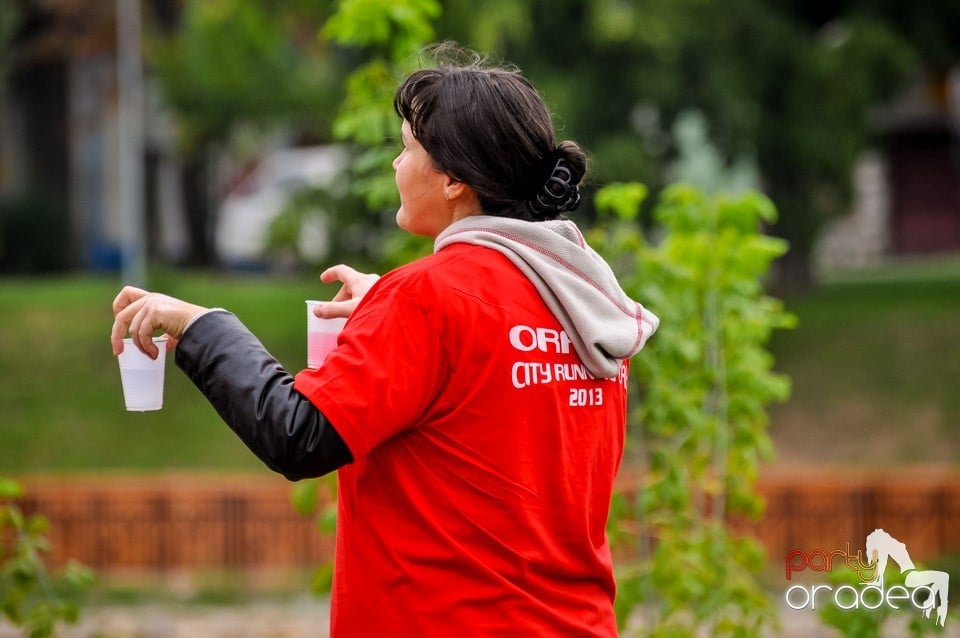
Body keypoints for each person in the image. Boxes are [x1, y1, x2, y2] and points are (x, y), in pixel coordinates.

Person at [111, 50, 659, 637]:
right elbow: (488, 392)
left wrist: (199, 324)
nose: (397, 164)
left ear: (453, 180)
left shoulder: (428, 299)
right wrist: (384, 309)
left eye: (406, 148)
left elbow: (298, 435)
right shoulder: (582, 303)